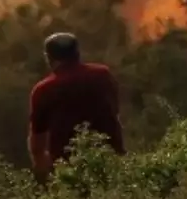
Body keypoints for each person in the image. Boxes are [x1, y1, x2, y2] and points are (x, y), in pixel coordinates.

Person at [27, 32, 126, 180]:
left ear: (49, 58)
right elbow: (115, 111)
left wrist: (44, 170)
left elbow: (37, 142)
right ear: (77, 53)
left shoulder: (43, 90)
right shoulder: (103, 75)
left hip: (71, 172)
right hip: (112, 161)